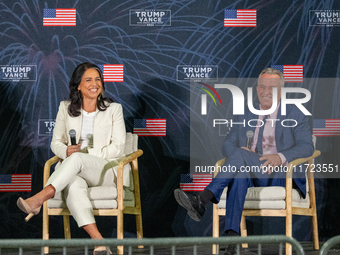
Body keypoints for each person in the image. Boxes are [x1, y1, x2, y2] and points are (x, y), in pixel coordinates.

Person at [174, 67, 314, 255]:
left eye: (271, 88)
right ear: (256, 89)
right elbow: (228, 145)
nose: (265, 92)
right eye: (261, 87)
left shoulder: (295, 114)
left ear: (281, 91)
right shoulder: (247, 114)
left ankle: (203, 199)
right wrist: (242, 155)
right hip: (252, 170)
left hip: (281, 174)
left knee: (239, 157)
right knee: (239, 171)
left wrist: (279, 156)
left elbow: (308, 147)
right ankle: (233, 240)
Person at [17, 62, 127, 255]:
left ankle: (40, 197)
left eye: (98, 79)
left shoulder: (113, 109)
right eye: (88, 80)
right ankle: (99, 242)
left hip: (105, 170)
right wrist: (66, 151)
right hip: (75, 170)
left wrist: (83, 155)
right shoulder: (65, 108)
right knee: (74, 185)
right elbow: (55, 143)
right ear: (78, 85)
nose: (95, 84)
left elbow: (118, 147)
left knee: (76, 160)